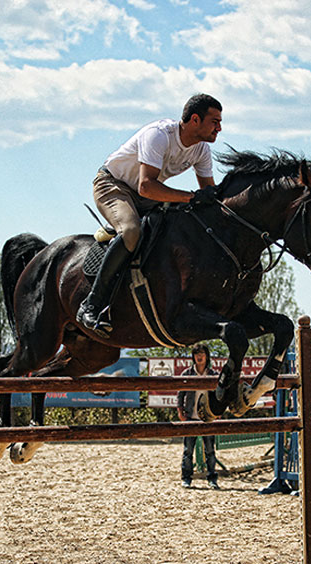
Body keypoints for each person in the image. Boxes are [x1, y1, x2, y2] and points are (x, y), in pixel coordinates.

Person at [77, 94, 223, 337]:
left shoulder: (201, 150)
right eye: (214, 121)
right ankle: (91, 304)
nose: (219, 127)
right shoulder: (159, 135)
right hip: (113, 185)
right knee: (131, 232)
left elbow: (207, 193)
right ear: (195, 120)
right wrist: (190, 197)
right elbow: (147, 186)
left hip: (146, 196)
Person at [176, 344, 219, 489]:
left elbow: (219, 396)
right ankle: (186, 478)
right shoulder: (187, 374)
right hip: (190, 416)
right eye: (196, 354)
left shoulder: (213, 375)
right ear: (193, 357)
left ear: (207, 356)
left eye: (202, 353)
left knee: (210, 451)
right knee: (188, 450)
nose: (199, 356)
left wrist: (217, 411)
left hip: (208, 417)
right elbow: (180, 394)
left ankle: (212, 479)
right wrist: (180, 409)